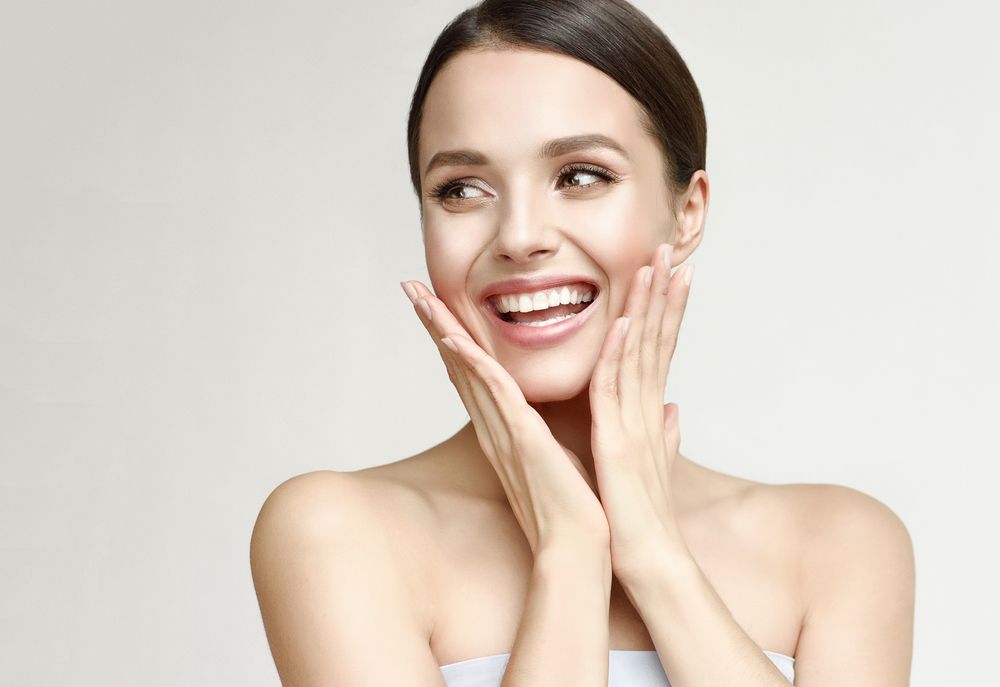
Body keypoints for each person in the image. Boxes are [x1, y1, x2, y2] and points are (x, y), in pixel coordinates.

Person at [250, 1, 916, 685]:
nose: (518, 236)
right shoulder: (337, 533)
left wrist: (655, 554)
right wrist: (569, 553)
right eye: (462, 189)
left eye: (580, 176)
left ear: (687, 213)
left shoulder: (839, 545)